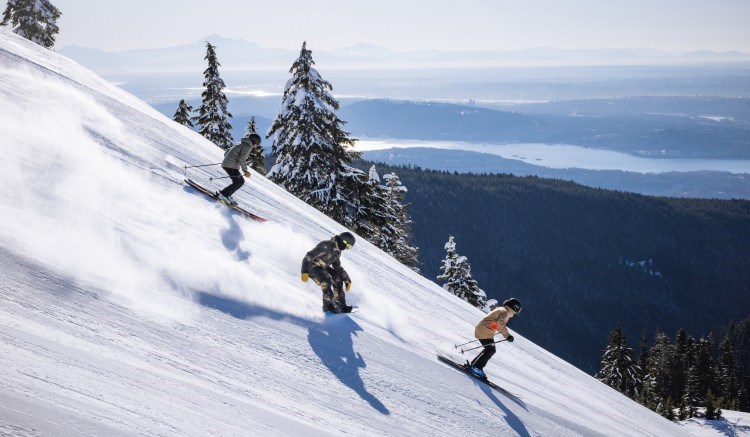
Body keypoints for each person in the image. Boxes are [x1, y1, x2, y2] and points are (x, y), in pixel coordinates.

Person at [301, 232, 356, 313]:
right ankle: (328, 306)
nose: (345, 248)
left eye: (348, 247)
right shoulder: (326, 246)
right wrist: (304, 271)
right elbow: (309, 256)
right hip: (312, 266)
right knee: (326, 280)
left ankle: (341, 305)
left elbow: (337, 267)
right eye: (346, 245)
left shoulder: (337, 252)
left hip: (323, 267)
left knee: (337, 279)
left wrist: (347, 279)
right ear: (342, 240)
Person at [468, 298, 522, 379]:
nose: (514, 315)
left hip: (482, 329)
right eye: (514, 313)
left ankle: (474, 365)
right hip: (485, 330)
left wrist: (494, 330)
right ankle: (477, 368)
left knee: (488, 349)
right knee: (491, 350)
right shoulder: (506, 313)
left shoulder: (501, 309)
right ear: (514, 309)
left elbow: (494, 322)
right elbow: (501, 324)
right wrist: (507, 335)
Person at [216, 133, 261, 205]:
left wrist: (228, 159)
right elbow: (242, 159)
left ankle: (226, 195)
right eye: (258, 143)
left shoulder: (240, 143)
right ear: (254, 142)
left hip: (229, 164)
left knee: (239, 181)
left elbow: (227, 152)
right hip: (231, 166)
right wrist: (245, 170)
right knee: (239, 182)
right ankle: (223, 195)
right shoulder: (248, 146)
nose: (257, 145)